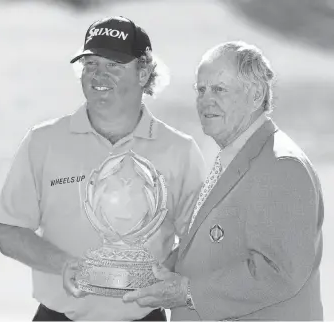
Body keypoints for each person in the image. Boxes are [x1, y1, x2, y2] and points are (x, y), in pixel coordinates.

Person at [0, 16, 206, 321]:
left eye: (113, 65)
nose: (98, 75)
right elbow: (10, 233)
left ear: (144, 72)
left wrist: (162, 274)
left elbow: (199, 241)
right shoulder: (43, 141)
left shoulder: (179, 150)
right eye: (90, 64)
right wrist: (63, 264)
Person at [123, 41, 324, 321]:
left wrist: (187, 292)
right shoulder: (235, 156)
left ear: (256, 95)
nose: (206, 100)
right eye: (201, 90)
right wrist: (154, 270)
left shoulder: (282, 166)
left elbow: (279, 273)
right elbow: (216, 245)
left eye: (219, 89)